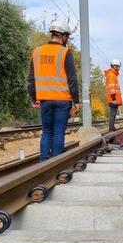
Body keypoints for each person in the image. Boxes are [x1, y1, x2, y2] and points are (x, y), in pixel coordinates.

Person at [27, 20, 81, 162]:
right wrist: (76, 101)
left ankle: (44, 162)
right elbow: (72, 79)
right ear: (63, 36)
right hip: (62, 100)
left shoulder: (37, 52)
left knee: (47, 132)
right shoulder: (65, 52)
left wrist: (34, 98)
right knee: (58, 133)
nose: (67, 40)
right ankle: (56, 164)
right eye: (67, 37)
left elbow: (31, 79)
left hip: (45, 99)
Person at [104, 59, 122, 132]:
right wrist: (114, 99)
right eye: (118, 66)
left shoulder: (112, 75)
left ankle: (112, 127)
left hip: (113, 97)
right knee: (113, 113)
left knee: (113, 113)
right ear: (114, 66)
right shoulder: (111, 75)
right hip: (113, 98)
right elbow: (112, 88)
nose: (118, 68)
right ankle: (111, 128)